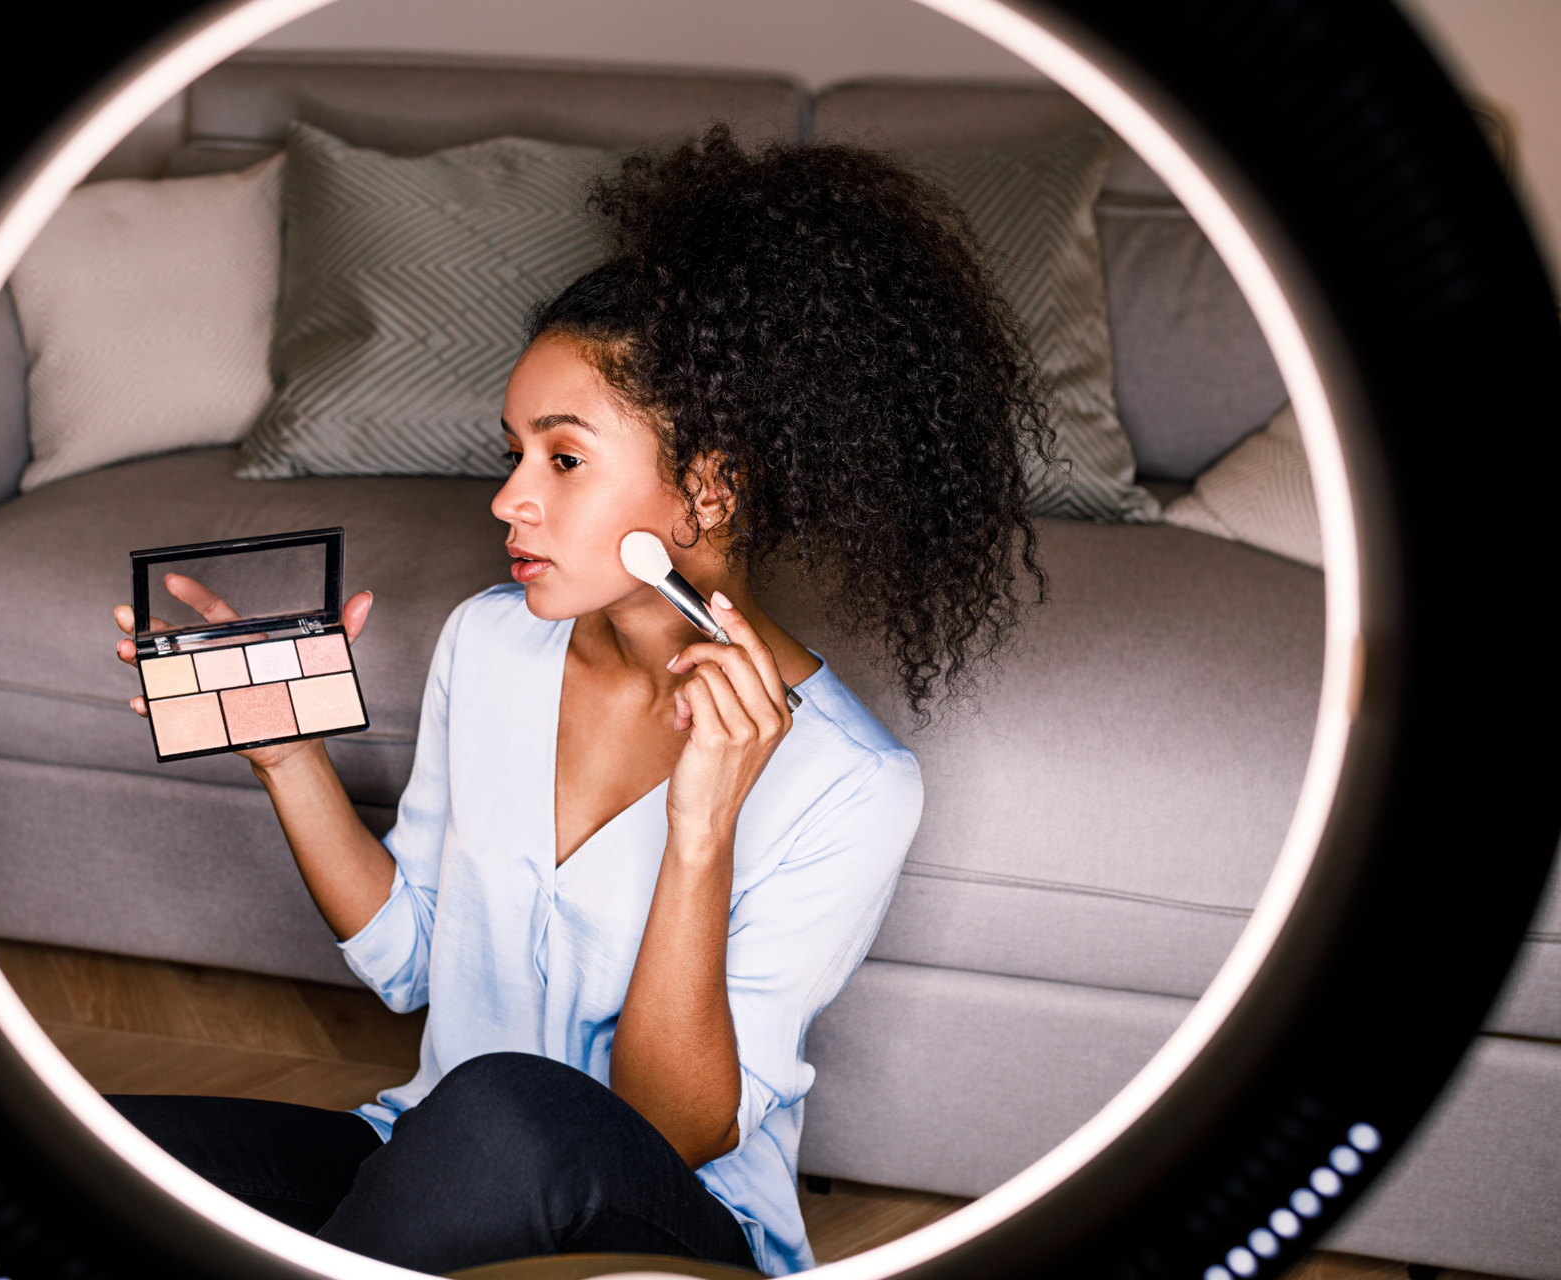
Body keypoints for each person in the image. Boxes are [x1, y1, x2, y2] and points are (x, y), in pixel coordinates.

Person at [106, 125, 1047, 1276]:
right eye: (514, 451)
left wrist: (701, 831)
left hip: (671, 1224)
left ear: (708, 488)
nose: (508, 499)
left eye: (562, 458)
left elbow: (672, 1125)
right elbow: (409, 961)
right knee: (118, 1157)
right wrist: (289, 758)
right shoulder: (489, 645)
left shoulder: (853, 782)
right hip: (425, 1158)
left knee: (510, 1110)